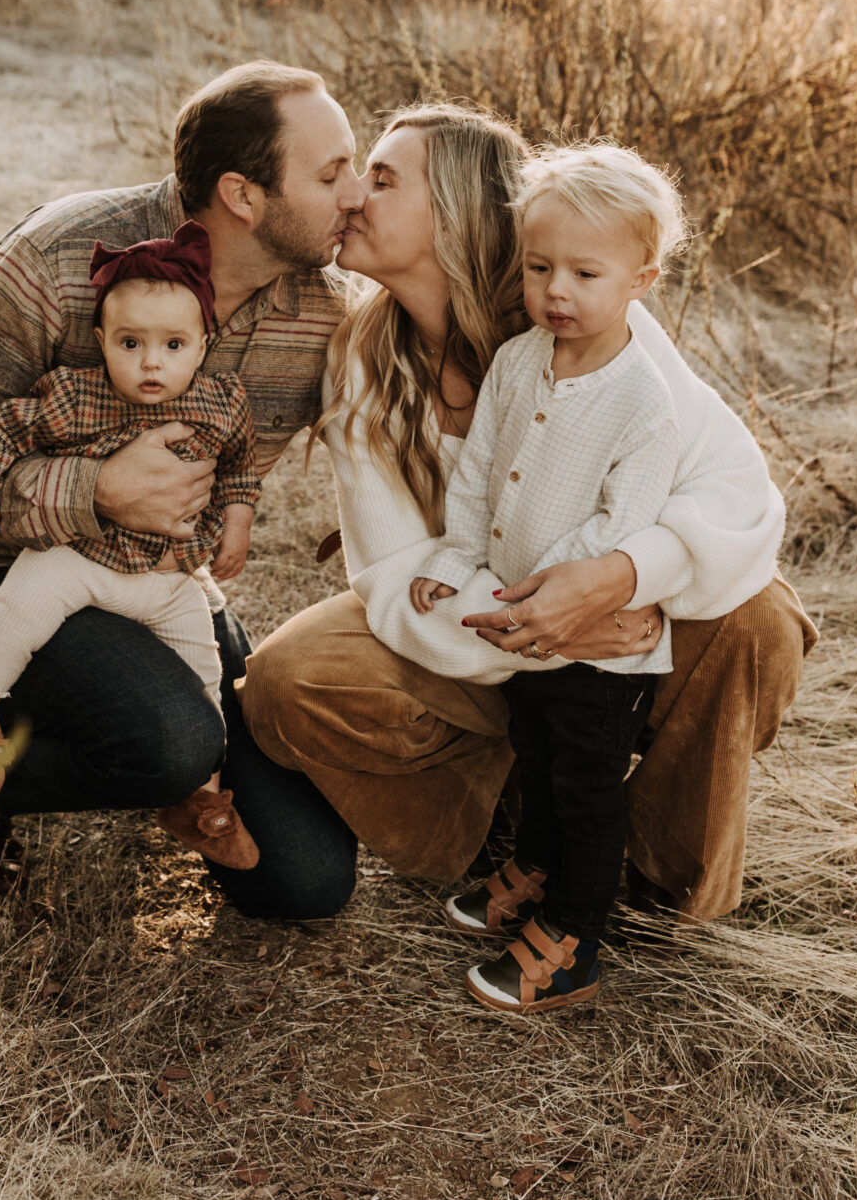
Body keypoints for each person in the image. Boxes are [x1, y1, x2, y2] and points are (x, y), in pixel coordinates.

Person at [239, 104, 816, 926]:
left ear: (456, 214)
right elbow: (393, 570)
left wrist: (618, 581)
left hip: (618, 619)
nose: (357, 195)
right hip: (481, 629)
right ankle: (502, 823)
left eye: (384, 177)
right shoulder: (363, 364)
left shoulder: (583, 312)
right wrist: (542, 629)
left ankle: (657, 880)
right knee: (286, 680)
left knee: (756, 620)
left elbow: (737, 495)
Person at [0, 60, 366, 917]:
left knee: (303, 882)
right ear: (242, 196)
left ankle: (148, 765)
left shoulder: (323, 309)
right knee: (169, 739)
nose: (355, 194)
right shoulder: (62, 252)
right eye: (331, 174)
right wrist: (96, 488)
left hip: (157, 578)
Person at [413, 143, 687, 1016]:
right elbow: (480, 470)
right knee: (532, 752)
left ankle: (573, 936)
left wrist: (553, 598)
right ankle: (530, 871)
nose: (556, 291)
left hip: (592, 647)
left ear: (641, 279)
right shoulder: (518, 361)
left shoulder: (642, 398)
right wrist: (460, 560)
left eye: (584, 272)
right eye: (539, 268)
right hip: (517, 620)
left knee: (584, 784)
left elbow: (626, 524)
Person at [0, 222, 262, 872]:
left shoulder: (222, 404)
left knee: (208, 678)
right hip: (80, 557)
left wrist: (239, 517)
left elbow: (240, 464)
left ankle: (197, 802)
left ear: (203, 345)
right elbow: (1, 427)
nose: (150, 362)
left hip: (170, 575)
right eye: (130, 342)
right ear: (101, 343)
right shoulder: (75, 396)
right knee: (17, 610)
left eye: (172, 344)